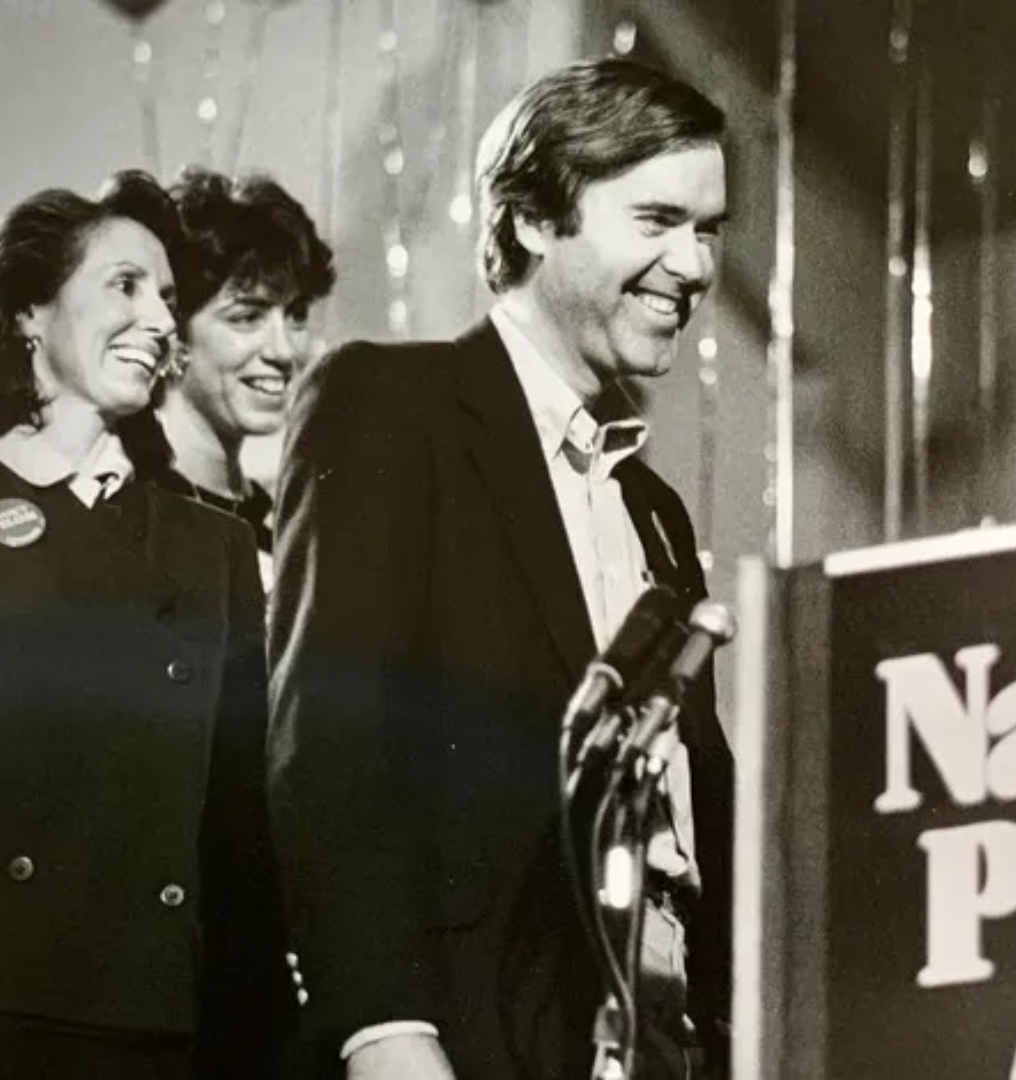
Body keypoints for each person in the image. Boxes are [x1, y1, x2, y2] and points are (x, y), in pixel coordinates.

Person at [268, 57, 734, 1080]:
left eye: (709, 229)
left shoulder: (653, 510)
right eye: (658, 220)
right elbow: (331, 748)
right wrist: (385, 1032)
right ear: (531, 219)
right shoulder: (390, 406)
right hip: (474, 1041)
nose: (695, 264)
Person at [0, 170, 288, 1079]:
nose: (160, 320)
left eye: (166, 297)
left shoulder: (213, 544)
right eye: (125, 286)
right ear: (31, 312)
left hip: (163, 1025)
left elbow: (239, 834)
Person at [156, 166, 335, 589]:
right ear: (171, 333)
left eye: (295, 315)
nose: (284, 351)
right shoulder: (130, 518)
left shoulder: (278, 519)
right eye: (247, 317)